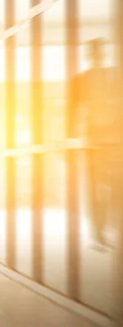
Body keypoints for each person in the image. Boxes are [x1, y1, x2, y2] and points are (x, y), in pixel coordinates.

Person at [72, 38, 119, 250]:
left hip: (114, 142)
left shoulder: (114, 76)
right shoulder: (82, 80)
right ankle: (98, 233)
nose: (98, 56)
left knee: (115, 188)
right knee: (96, 190)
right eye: (95, 52)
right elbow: (73, 112)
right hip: (94, 142)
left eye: (100, 52)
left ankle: (107, 231)